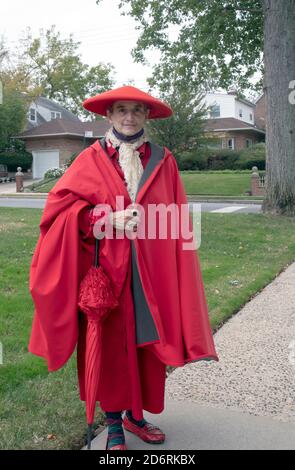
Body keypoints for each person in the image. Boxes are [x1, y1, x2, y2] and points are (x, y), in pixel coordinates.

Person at [28, 85, 219, 451]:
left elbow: (176, 217)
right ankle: (114, 425)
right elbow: (60, 213)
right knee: (113, 345)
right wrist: (105, 217)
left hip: (153, 271)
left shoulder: (164, 160)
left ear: (146, 117)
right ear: (109, 116)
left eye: (136, 110)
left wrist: (179, 263)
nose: (129, 117)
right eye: (121, 110)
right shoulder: (90, 160)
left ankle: (136, 415)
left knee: (148, 342)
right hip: (108, 271)